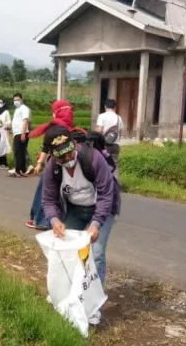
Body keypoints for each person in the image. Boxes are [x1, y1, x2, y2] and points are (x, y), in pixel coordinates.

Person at [42, 126, 120, 288]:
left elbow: (107, 194)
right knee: (65, 249)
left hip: (102, 210)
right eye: (62, 157)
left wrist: (96, 224)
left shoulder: (93, 158)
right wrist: (55, 220)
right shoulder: (52, 167)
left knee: (96, 253)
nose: (68, 158)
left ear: (73, 144)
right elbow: (48, 200)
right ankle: (70, 291)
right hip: (75, 210)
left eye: (70, 152)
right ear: (52, 155)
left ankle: (94, 300)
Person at [26, 100, 75, 230]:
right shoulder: (70, 128)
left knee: (45, 193)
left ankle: (41, 220)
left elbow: (46, 148)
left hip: (53, 166)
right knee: (65, 193)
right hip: (70, 166)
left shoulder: (54, 127)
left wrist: (39, 164)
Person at [95, 99, 123, 169]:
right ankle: (115, 178)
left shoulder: (102, 116)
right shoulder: (119, 118)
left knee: (103, 164)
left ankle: (106, 179)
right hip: (115, 145)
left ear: (105, 106)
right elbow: (120, 131)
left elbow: (99, 130)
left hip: (105, 145)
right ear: (115, 107)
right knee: (115, 164)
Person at [10, 93, 31, 177]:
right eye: (14, 100)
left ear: (21, 100)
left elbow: (25, 120)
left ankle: (19, 171)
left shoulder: (24, 108)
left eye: (17, 100)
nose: (16, 101)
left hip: (21, 133)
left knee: (19, 152)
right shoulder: (17, 110)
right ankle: (21, 170)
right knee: (19, 152)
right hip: (17, 133)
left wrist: (22, 133)